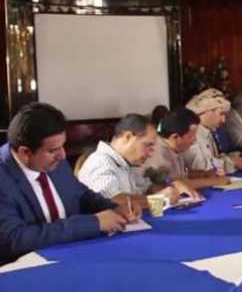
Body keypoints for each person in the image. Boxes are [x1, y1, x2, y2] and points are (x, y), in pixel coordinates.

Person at [0, 103, 137, 265]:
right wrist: (93, 223)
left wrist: (113, 208)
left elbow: (80, 194)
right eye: (53, 150)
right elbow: (15, 239)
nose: (63, 156)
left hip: (75, 255)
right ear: (25, 152)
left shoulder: (53, 159)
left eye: (62, 146)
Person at [78, 114, 190, 205]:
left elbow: (148, 187)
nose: (151, 153)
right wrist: (160, 198)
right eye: (147, 145)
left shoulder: (124, 163)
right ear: (128, 137)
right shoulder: (101, 163)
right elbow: (114, 201)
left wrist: (173, 188)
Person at [140, 108, 229, 190]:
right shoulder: (158, 154)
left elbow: (181, 175)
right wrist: (213, 181)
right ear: (175, 137)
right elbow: (175, 184)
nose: (194, 140)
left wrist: (204, 174)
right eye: (191, 136)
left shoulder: (175, 148)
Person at [184, 90, 242, 173]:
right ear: (206, 111)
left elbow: (214, 158)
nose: (223, 120)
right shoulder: (191, 133)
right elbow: (200, 166)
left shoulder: (208, 132)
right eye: (221, 114)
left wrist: (239, 156)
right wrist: (231, 163)